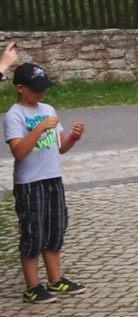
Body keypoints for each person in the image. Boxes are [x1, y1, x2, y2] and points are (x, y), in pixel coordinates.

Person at [4, 63, 86, 304]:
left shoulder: (48, 109)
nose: (40, 93)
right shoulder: (14, 115)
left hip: (52, 178)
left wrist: (73, 137)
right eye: (35, 88)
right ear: (20, 88)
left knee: (55, 228)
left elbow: (60, 147)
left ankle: (55, 279)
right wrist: (38, 129)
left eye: (44, 88)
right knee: (33, 233)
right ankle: (32, 286)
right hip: (30, 183)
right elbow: (19, 152)